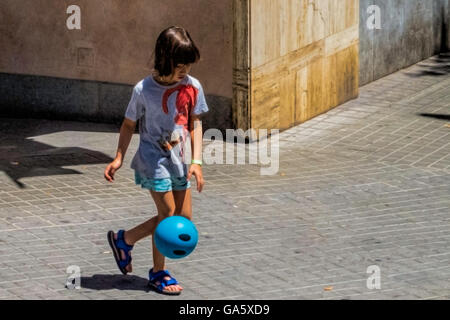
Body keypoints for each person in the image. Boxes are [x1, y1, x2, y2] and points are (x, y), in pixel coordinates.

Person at [103, 26, 209, 295]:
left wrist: (196, 161)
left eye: (188, 64)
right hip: (154, 160)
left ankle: (125, 239)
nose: (185, 70)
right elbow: (128, 125)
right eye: (180, 64)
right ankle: (158, 273)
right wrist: (118, 158)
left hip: (181, 160)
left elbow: (196, 122)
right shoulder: (143, 89)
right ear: (165, 59)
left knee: (183, 217)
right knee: (167, 216)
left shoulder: (192, 86)